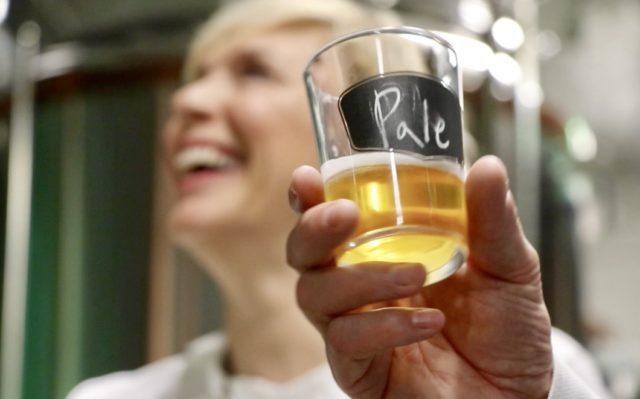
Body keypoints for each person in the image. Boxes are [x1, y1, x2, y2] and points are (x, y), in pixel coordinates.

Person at [68, 0, 611, 398]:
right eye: (195, 77)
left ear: (370, 138)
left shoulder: (539, 371)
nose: (185, 101)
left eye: (253, 72)